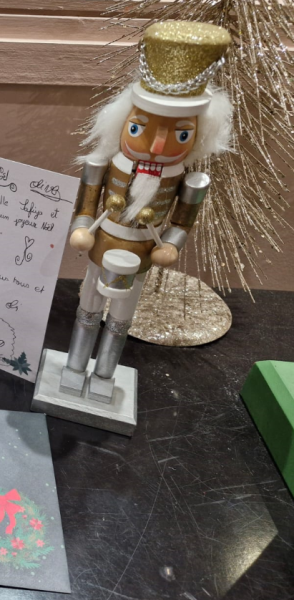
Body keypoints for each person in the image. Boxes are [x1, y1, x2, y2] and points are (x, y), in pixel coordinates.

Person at [61, 21, 233, 402]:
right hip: (103, 245)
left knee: (121, 317)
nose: (158, 146)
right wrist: (82, 227)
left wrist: (170, 245)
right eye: (141, 128)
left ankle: (104, 375)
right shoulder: (105, 164)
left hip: (140, 253)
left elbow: (182, 221)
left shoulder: (187, 179)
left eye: (180, 134)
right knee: (88, 307)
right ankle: (74, 368)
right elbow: (87, 204)